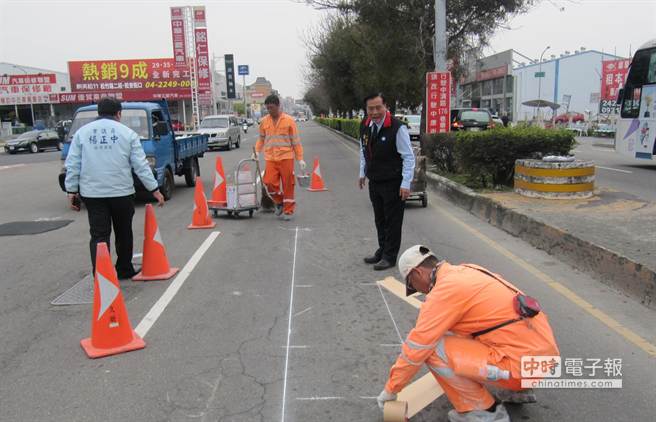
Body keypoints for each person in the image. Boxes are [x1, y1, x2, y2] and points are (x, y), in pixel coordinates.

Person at [377, 245, 560, 422]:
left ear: (417, 274)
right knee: (468, 330)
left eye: (413, 286)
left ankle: (483, 413)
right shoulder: (469, 270)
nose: (419, 291)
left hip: (519, 368)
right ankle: (514, 390)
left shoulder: (444, 291)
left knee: (432, 348)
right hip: (545, 359)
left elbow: (416, 347)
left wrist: (391, 390)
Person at [65, 97, 165, 279]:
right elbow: (141, 166)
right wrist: (155, 189)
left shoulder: (82, 133)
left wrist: (71, 191)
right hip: (122, 193)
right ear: (119, 113)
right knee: (124, 231)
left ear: (99, 112)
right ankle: (124, 269)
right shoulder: (127, 133)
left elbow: (73, 164)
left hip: (92, 194)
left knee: (98, 235)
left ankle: (101, 273)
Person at [359, 93, 415, 271]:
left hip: (393, 182)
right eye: (370, 108)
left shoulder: (397, 128)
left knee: (392, 221)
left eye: (378, 108)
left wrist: (406, 183)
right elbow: (364, 150)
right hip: (375, 180)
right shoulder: (365, 125)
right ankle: (382, 250)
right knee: (380, 219)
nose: (374, 112)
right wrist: (363, 172)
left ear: (386, 107)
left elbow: (408, 157)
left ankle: (390, 256)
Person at [254, 94, 306, 221]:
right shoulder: (264, 122)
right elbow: (261, 139)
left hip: (286, 157)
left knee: (288, 185)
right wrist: (256, 151)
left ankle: (288, 210)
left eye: (271, 107)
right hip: (271, 158)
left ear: (278, 106)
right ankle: (279, 202)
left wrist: (300, 159)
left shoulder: (289, 121)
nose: (269, 110)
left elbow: (295, 141)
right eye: (267, 108)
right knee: (269, 183)